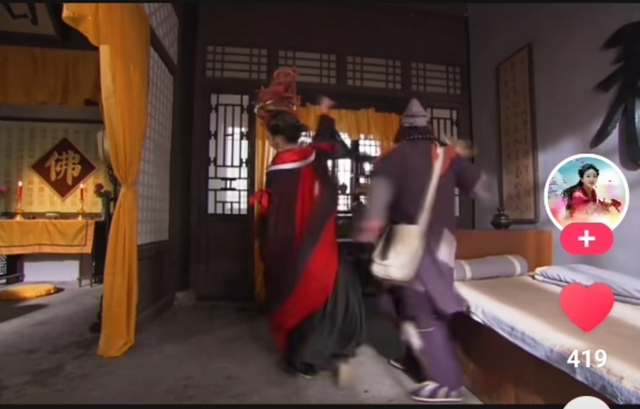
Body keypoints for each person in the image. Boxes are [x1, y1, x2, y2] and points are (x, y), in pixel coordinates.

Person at [354, 98, 495, 403]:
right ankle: (416, 358)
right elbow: (484, 189)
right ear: (428, 128)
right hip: (442, 244)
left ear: (403, 129)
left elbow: (375, 212)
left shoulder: (392, 158)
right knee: (400, 302)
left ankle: (447, 383)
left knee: (418, 309)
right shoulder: (447, 157)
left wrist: (368, 232)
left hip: (410, 247)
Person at [252, 67, 365, 383]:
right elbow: (331, 145)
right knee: (327, 285)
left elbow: (279, 211)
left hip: (292, 244)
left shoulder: (280, 164)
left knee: (293, 292)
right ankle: (332, 351)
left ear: (276, 139)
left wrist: (264, 204)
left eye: (270, 136)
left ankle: (305, 357)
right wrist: (325, 113)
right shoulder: (312, 154)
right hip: (317, 242)